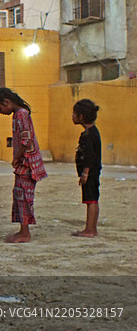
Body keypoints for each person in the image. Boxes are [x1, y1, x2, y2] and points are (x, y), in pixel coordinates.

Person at [0, 87, 47, 243]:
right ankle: (23, 230)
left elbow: (25, 139)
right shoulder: (19, 114)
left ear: (7, 102)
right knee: (20, 195)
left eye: (0, 108)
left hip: (27, 163)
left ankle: (25, 233)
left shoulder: (21, 114)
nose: (0, 112)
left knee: (24, 196)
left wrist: (17, 157)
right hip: (25, 162)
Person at [72, 99, 101, 238]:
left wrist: (85, 173)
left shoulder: (89, 136)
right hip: (93, 171)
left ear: (81, 117)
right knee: (93, 199)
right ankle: (92, 228)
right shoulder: (92, 132)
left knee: (90, 199)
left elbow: (89, 156)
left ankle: (89, 229)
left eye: (74, 114)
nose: (72, 116)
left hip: (90, 172)